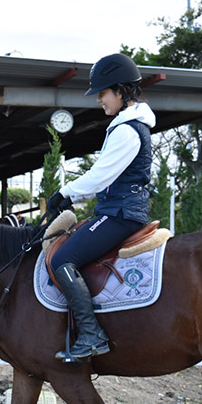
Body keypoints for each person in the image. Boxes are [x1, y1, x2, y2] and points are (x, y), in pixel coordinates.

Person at [46, 53, 155, 363]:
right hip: (118, 210)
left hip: (120, 214)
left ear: (120, 92)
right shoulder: (128, 126)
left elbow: (100, 176)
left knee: (64, 259)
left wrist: (64, 193)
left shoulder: (127, 130)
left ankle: (92, 335)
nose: (99, 101)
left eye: (103, 93)